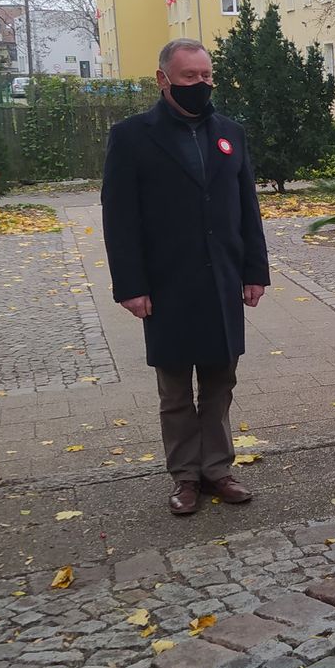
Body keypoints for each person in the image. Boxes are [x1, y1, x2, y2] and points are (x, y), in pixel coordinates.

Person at [101, 38, 269, 516]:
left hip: (221, 281)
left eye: (206, 75)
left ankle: (217, 468)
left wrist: (255, 271)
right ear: (163, 79)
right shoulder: (133, 136)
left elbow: (247, 208)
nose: (201, 84)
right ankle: (185, 477)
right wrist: (130, 285)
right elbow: (119, 217)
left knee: (219, 383)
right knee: (175, 390)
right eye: (189, 76)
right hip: (166, 284)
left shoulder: (230, 132)